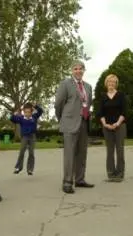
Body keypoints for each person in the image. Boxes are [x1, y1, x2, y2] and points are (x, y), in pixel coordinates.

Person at [54, 60, 94, 194]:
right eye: (75, 69)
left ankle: (80, 179)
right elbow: (58, 104)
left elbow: (88, 104)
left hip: (84, 122)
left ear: (84, 70)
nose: (78, 71)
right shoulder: (65, 84)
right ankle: (67, 182)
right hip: (69, 122)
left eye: (80, 68)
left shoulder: (88, 87)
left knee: (82, 153)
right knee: (69, 154)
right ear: (72, 71)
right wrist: (62, 119)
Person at [98, 74, 126, 182]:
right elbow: (100, 113)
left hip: (120, 126)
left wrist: (117, 123)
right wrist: (105, 124)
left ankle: (119, 174)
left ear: (116, 84)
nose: (111, 84)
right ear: (106, 83)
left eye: (114, 82)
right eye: (109, 82)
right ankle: (111, 174)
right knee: (109, 151)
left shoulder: (121, 95)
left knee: (120, 150)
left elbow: (124, 112)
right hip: (107, 127)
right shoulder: (103, 96)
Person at [10, 103, 43, 175]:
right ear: (23, 112)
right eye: (25, 112)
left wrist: (35, 106)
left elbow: (40, 111)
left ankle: (30, 169)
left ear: (31, 112)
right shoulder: (21, 118)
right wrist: (18, 110)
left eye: (29, 112)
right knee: (22, 151)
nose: (27, 114)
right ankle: (18, 167)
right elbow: (12, 118)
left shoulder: (34, 117)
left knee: (31, 153)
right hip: (24, 137)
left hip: (32, 137)